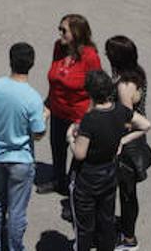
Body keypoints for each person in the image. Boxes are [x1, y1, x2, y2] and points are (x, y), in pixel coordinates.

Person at [68, 71, 150, 251]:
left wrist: (70, 139)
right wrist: (123, 139)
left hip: (87, 178)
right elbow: (145, 125)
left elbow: (80, 154)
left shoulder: (90, 119)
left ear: (90, 93)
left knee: (84, 228)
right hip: (109, 175)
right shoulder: (120, 111)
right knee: (106, 223)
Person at [0, 42, 48, 251]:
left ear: (10, 60)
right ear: (32, 64)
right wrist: (45, 117)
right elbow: (38, 134)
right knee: (17, 211)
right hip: (22, 159)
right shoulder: (33, 98)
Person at [45, 14, 103, 196]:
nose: (60, 33)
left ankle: (73, 190)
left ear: (77, 33)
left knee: (77, 155)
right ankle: (58, 181)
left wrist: (87, 117)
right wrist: (47, 104)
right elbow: (54, 79)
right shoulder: (58, 48)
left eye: (64, 30)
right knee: (57, 148)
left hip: (78, 114)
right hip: (57, 109)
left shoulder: (90, 57)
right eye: (60, 29)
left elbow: (97, 88)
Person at [105, 36, 151, 249]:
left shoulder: (124, 85)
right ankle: (126, 229)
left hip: (126, 146)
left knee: (126, 193)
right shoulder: (138, 73)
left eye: (109, 53)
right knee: (128, 192)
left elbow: (127, 120)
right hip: (136, 142)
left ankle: (129, 238)